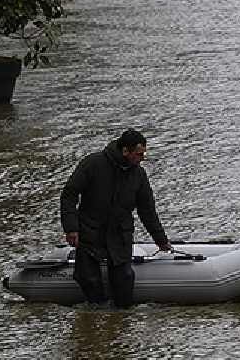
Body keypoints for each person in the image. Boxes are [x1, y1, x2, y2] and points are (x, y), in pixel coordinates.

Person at [60, 128, 172, 307]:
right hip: (90, 231)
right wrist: (71, 228)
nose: (142, 158)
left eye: (144, 153)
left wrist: (161, 240)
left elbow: (147, 210)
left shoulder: (139, 175)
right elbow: (69, 195)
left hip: (120, 234)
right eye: (139, 154)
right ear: (125, 151)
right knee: (88, 279)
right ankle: (96, 315)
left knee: (124, 280)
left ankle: (120, 323)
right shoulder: (93, 164)